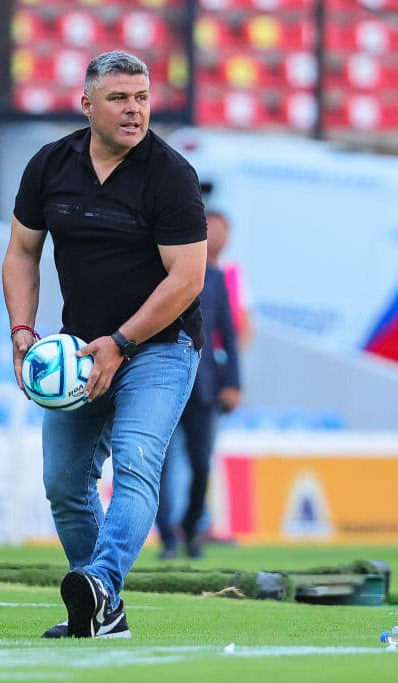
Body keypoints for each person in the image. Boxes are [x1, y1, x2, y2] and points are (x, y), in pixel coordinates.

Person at [1, 51, 207, 639]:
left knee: (136, 464)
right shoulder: (48, 165)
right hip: (78, 349)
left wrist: (120, 342)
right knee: (64, 483)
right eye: (120, 98)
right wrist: (22, 329)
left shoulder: (171, 175)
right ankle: (101, 609)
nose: (134, 110)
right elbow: (21, 251)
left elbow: (187, 279)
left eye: (142, 98)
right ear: (87, 103)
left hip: (161, 347)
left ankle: (100, 582)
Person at [155, 214, 241, 559]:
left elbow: (228, 336)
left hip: (204, 388)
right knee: (158, 464)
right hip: (163, 382)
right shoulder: (162, 270)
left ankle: (191, 529)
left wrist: (233, 382)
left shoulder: (218, 279)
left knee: (201, 463)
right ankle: (167, 537)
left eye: (223, 228)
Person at [207, 210, 255, 350]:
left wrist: (231, 355)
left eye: (222, 229)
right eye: (212, 228)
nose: (217, 234)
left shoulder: (234, 271)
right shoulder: (190, 270)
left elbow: (245, 320)